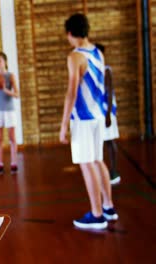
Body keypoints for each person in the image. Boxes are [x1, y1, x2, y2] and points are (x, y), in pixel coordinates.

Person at [59, 13, 118, 230]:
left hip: (83, 119)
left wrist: (64, 124)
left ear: (70, 33)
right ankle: (109, 207)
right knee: (97, 160)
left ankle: (96, 214)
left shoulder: (75, 56)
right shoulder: (97, 52)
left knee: (86, 163)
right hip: (98, 116)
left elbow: (71, 93)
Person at [95, 43, 121, 185]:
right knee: (101, 142)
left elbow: (109, 93)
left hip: (107, 112)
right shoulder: (95, 70)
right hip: (98, 112)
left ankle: (113, 171)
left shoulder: (106, 70)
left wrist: (108, 114)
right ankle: (102, 172)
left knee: (110, 141)